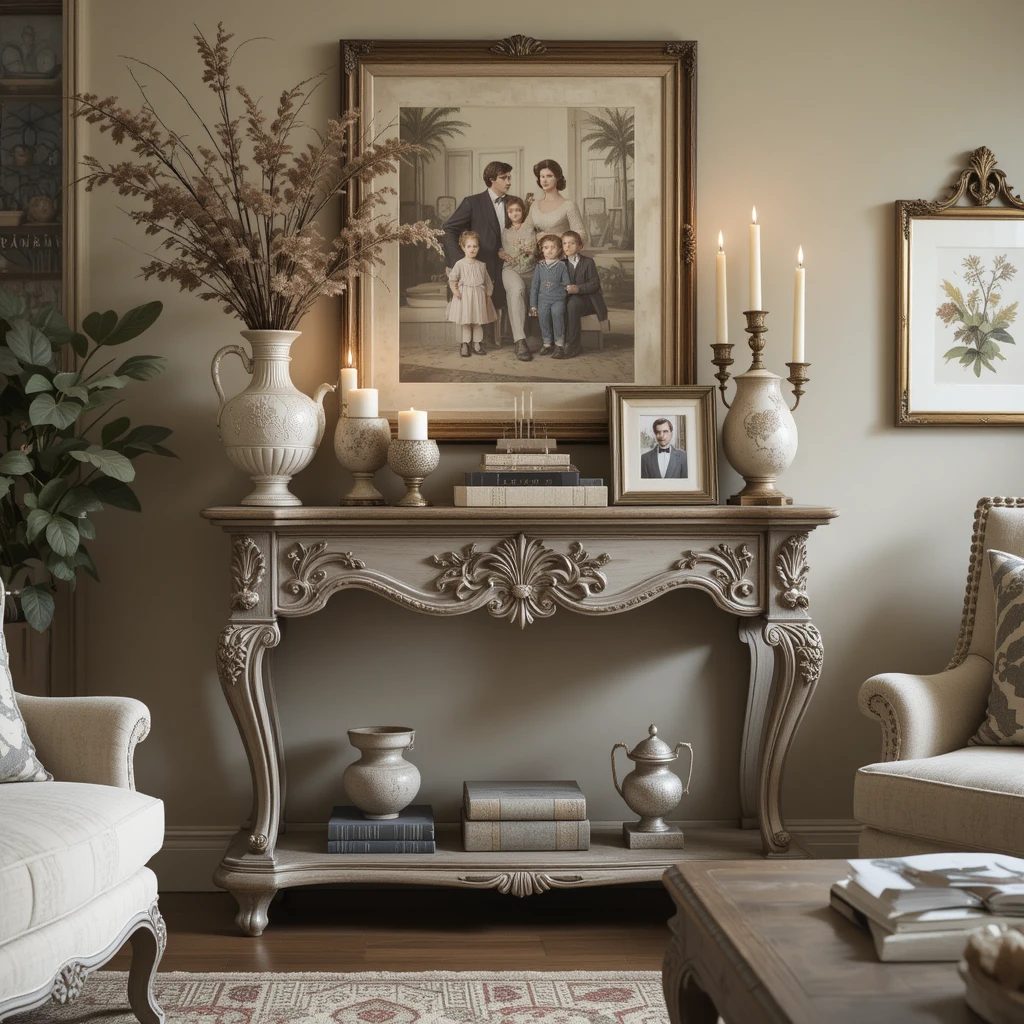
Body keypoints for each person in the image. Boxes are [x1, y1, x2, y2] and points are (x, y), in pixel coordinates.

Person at [442, 161, 512, 345]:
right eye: (504, 177)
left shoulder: (512, 202)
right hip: (480, 266)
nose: (508, 181)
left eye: (509, 177)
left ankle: (514, 337)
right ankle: (474, 341)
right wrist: (460, 261)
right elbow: (448, 229)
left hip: (509, 264)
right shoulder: (472, 202)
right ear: (491, 180)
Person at [446, 231, 497, 358]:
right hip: (466, 297)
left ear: (478, 248)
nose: (472, 249)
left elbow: (487, 281)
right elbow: (452, 279)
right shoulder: (460, 264)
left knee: (478, 322)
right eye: (469, 246)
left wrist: (488, 293)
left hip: (479, 296)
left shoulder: (481, 265)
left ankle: (477, 344)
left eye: (475, 246)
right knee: (467, 322)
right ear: (463, 248)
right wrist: (456, 291)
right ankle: (465, 344)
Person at [499, 195, 537, 362]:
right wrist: (503, 254)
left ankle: (553, 341)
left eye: (518, 210)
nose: (514, 213)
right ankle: (519, 341)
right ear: (507, 213)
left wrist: (531, 251)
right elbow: (498, 248)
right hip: (510, 269)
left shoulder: (531, 228)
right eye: (511, 211)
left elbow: (540, 245)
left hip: (531, 268)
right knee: (517, 289)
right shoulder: (504, 231)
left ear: (523, 211)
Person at [561, 230, 608, 359]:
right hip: (568, 299)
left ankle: (574, 345)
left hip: (587, 300)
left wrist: (578, 289)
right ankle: (560, 343)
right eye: (565, 243)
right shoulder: (561, 263)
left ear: (580, 246)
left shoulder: (588, 262)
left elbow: (594, 283)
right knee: (561, 305)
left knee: (573, 304)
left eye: (572, 243)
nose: (568, 246)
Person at [524, 159, 586, 246]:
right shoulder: (534, 205)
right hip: (538, 255)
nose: (545, 180)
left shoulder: (569, 205)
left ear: (557, 178)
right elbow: (526, 232)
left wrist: (562, 243)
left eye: (549, 176)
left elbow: (581, 233)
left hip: (562, 256)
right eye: (542, 176)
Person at [529, 234, 571, 358]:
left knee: (557, 315)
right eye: (546, 247)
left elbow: (566, 283)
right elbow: (535, 286)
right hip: (543, 300)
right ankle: (547, 343)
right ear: (542, 250)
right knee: (544, 319)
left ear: (559, 249)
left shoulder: (562, 266)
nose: (550, 250)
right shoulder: (539, 267)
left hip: (558, 299)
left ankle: (559, 344)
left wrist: (561, 291)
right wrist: (533, 305)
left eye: (553, 247)